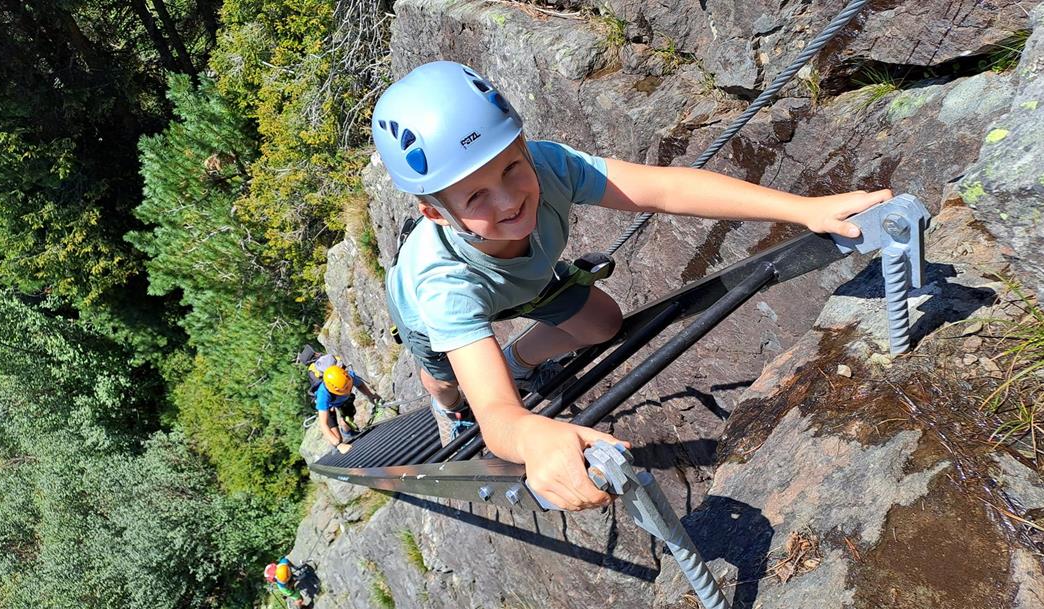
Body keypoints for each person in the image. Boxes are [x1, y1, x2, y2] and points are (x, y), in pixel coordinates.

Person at [374, 60, 891, 512]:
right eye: (476, 197)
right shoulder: (441, 288)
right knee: (447, 381)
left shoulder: (550, 167)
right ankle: (445, 407)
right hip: (436, 312)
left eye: (512, 167)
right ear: (435, 214)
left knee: (603, 323)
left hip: (523, 278)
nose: (509, 200)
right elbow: (497, 415)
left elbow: (665, 188)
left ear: (524, 146)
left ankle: (516, 361)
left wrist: (804, 209)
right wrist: (529, 434)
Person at [296, 346, 381, 449]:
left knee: (347, 420)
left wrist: (371, 396)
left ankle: (348, 433)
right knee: (337, 438)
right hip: (329, 405)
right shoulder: (323, 394)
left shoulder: (347, 376)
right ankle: (339, 444)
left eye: (347, 387)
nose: (346, 391)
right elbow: (323, 424)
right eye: (342, 389)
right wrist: (338, 444)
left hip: (343, 401)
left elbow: (360, 385)